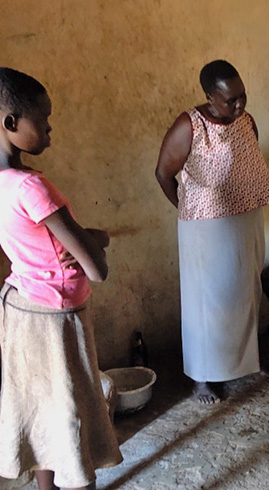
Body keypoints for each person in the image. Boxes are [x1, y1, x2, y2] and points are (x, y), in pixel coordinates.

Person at [0, 68, 122, 489]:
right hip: (56, 317)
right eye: (44, 120)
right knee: (71, 416)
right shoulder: (34, 187)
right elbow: (97, 270)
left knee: (40, 411)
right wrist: (99, 238)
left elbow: (30, 240)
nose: (50, 130)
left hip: (20, 307)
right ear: (11, 123)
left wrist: (80, 240)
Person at [155, 60, 269, 404]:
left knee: (245, 291)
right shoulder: (190, 125)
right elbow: (163, 173)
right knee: (208, 303)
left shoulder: (246, 121)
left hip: (246, 218)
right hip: (206, 228)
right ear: (209, 96)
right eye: (229, 100)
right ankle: (203, 378)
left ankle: (245, 361)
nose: (238, 105)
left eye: (242, 96)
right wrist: (190, 209)